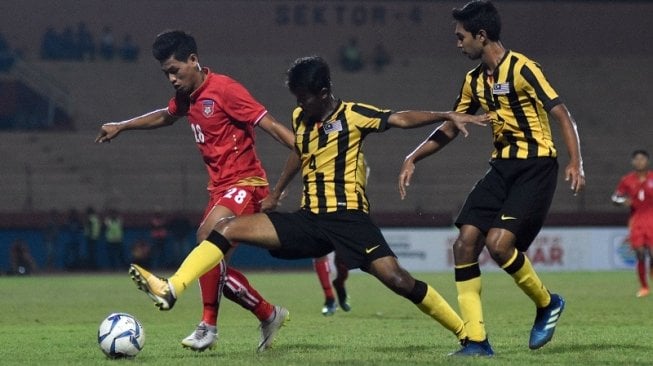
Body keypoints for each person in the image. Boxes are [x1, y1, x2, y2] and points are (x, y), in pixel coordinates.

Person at [127, 55, 490, 353]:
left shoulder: (353, 114)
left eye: (305, 97)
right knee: (224, 227)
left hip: (349, 221)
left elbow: (398, 118)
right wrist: (277, 191)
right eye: (296, 98)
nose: (299, 105)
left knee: (399, 281)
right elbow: (300, 153)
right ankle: (172, 286)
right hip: (310, 219)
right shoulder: (302, 118)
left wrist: (445, 115)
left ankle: (467, 335)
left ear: (324, 92)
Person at [398, 0, 585, 356]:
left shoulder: (524, 68)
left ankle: (547, 303)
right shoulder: (473, 82)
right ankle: (477, 342)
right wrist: (413, 156)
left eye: (461, 37)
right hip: (501, 168)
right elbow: (453, 126)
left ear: (481, 36)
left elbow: (562, 113)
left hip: (535, 166)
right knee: (464, 243)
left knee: (499, 245)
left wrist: (576, 161)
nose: (457, 44)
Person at [95, 30, 296, 353]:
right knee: (212, 265)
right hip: (219, 190)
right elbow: (166, 116)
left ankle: (207, 326)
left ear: (193, 60)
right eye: (166, 74)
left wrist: (305, 149)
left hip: (247, 184)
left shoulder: (225, 90)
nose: (172, 78)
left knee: (206, 238)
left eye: (176, 70)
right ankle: (267, 313)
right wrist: (122, 125)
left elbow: (269, 124)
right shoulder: (188, 96)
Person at [612, 149, 653, 298]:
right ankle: (644, 287)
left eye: (642, 159)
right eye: (637, 159)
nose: (639, 162)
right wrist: (623, 201)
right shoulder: (627, 180)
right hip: (637, 220)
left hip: (652, 218)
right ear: (633, 162)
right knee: (640, 254)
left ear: (647, 161)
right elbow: (615, 198)